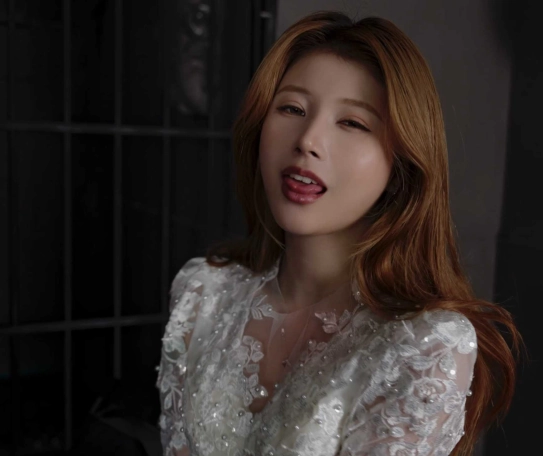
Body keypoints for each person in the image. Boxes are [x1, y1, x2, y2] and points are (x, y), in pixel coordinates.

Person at [156, 10, 522, 456]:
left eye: (352, 123)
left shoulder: (423, 346)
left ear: (401, 163)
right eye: (292, 109)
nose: (308, 140)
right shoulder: (203, 293)